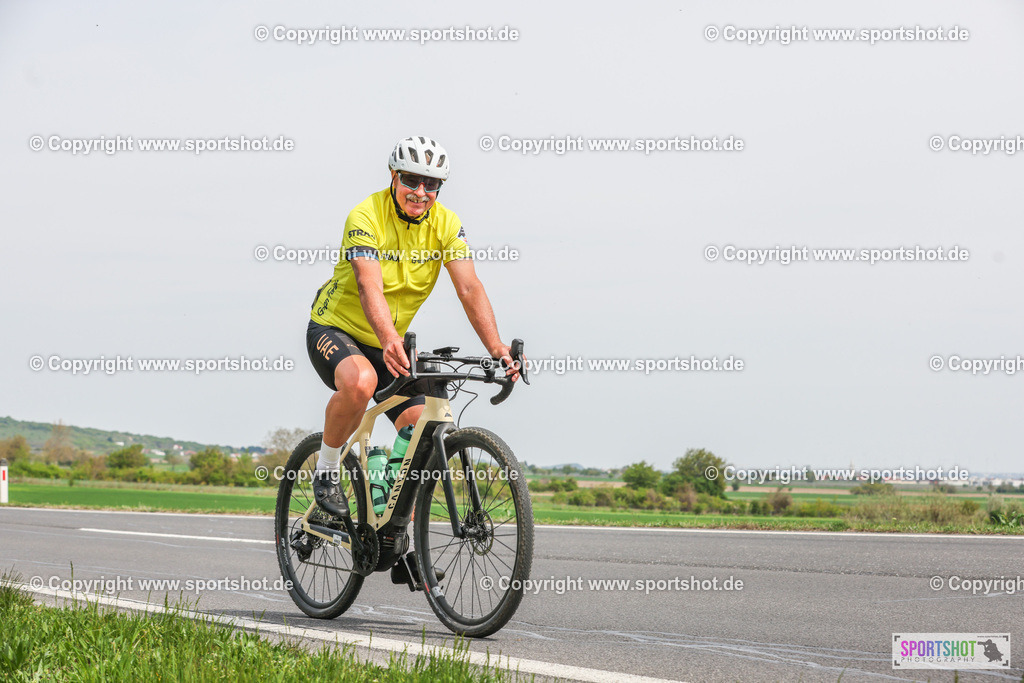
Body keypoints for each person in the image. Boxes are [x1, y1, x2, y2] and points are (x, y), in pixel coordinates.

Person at [304, 135, 520, 584]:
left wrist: (497, 347)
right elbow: (369, 286)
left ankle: (397, 541)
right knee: (361, 382)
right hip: (338, 329)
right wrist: (387, 338)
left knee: (422, 426)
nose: (421, 191)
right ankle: (326, 473)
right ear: (394, 177)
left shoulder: (447, 224)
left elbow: (469, 288)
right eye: (412, 181)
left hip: (391, 343)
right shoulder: (366, 216)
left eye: (432, 184)